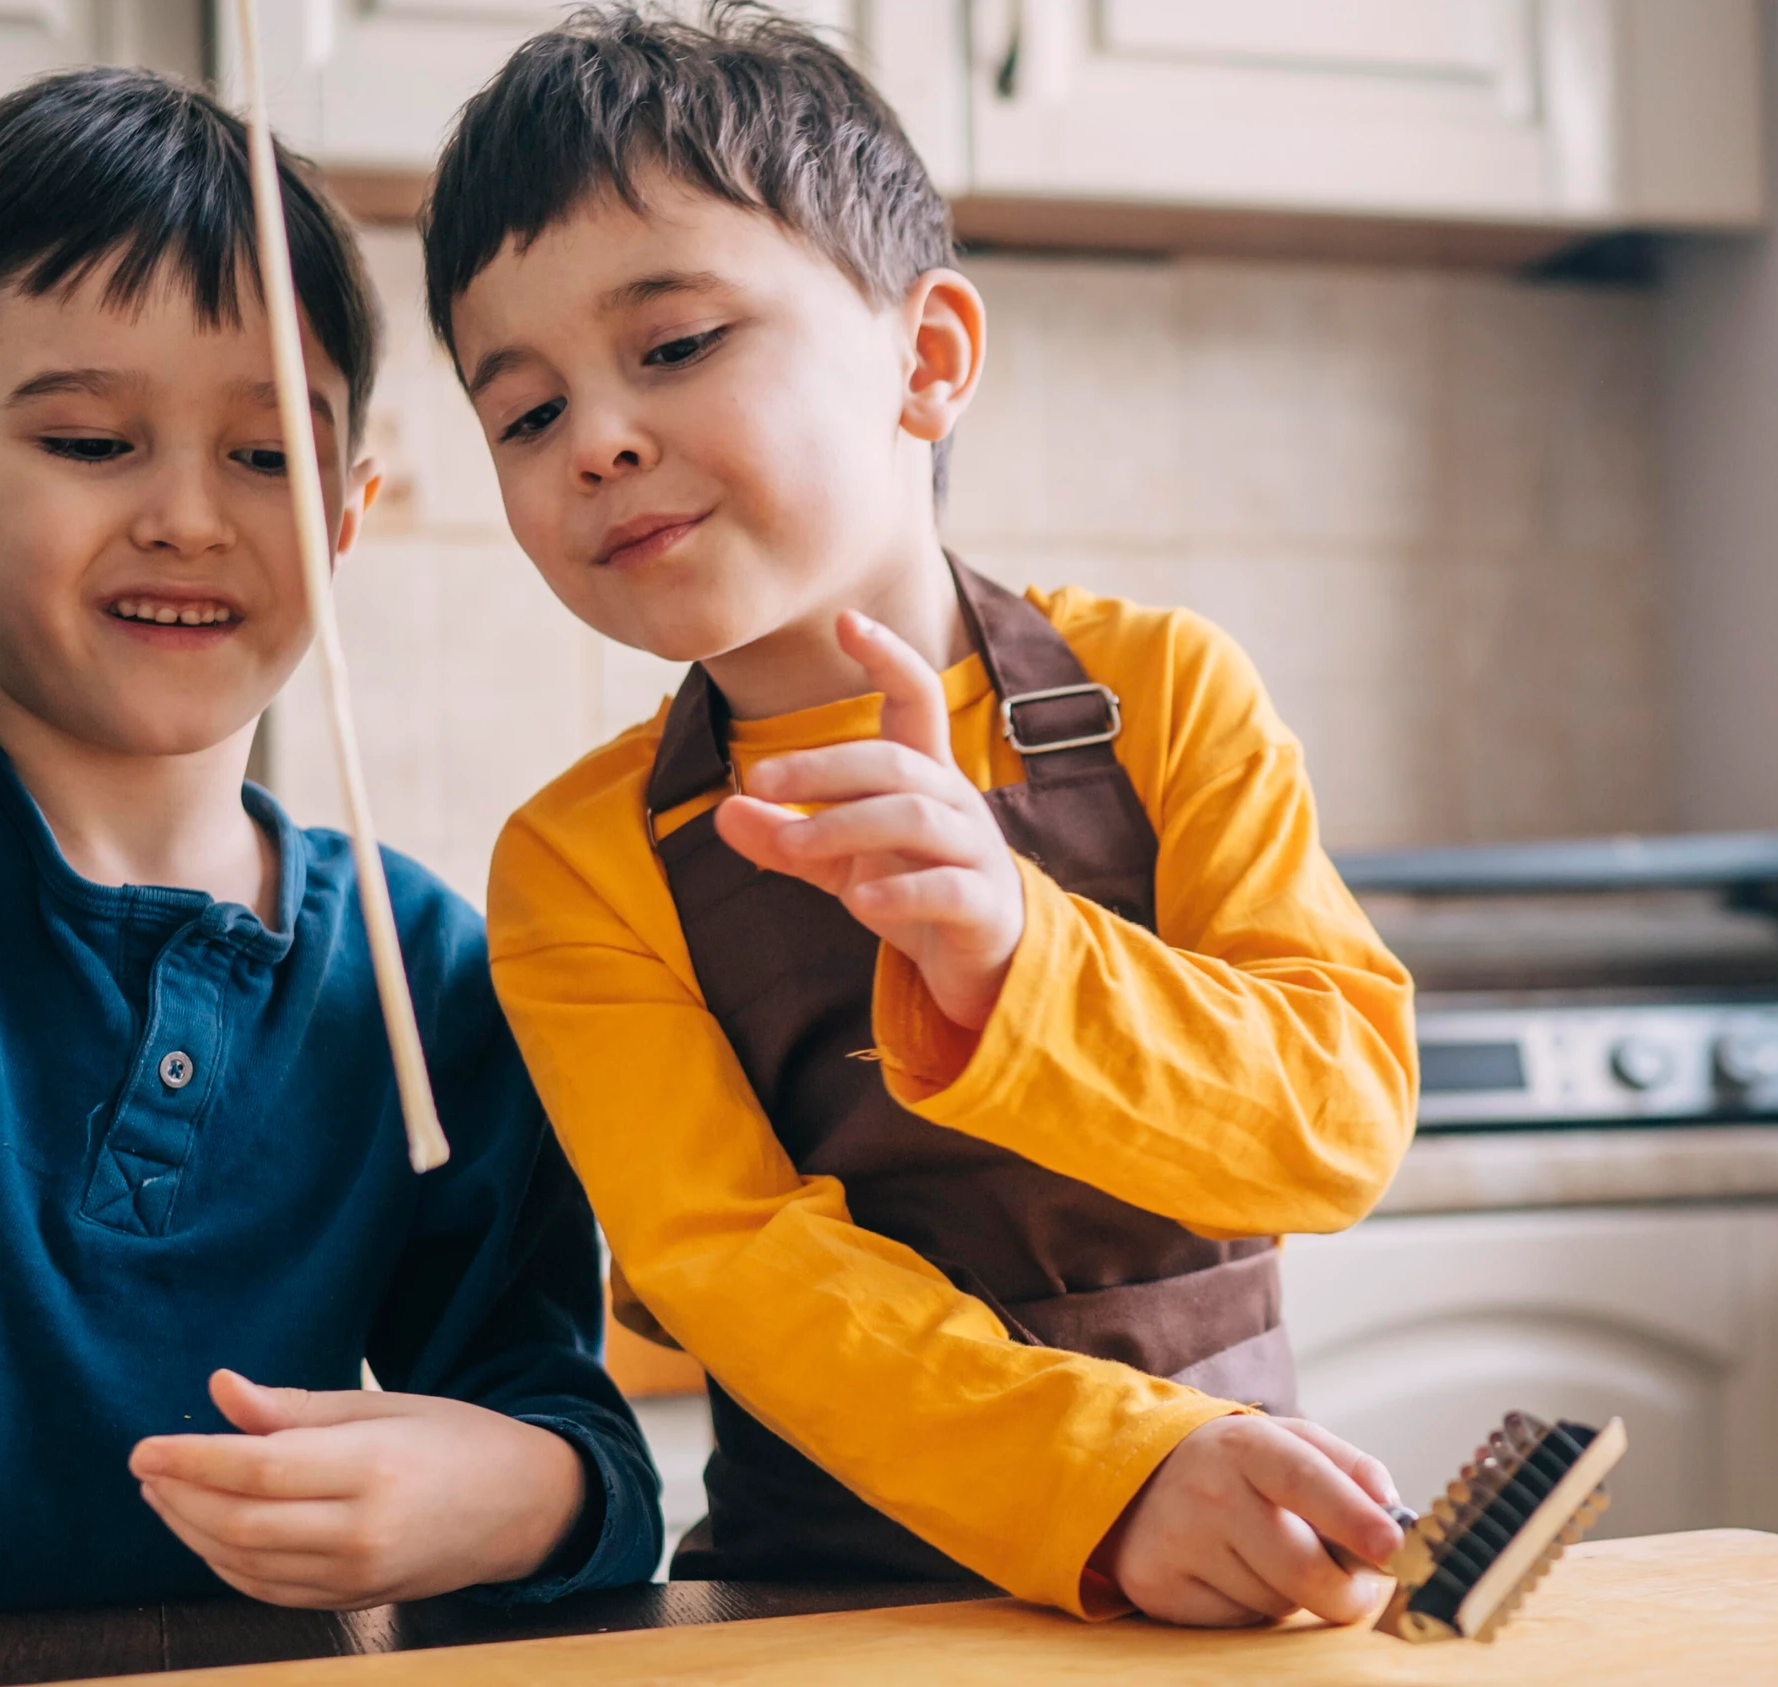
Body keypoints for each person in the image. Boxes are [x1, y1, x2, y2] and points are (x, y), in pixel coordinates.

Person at [0, 0, 658, 1633]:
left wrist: (515, 1488)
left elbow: (580, 1445)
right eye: (91, 439)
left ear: (349, 510)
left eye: (263, 453)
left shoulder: (427, 970)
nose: (184, 513)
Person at [430, 4, 1419, 1628]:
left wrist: (1024, 955)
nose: (597, 439)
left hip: (1230, 1581)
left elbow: (1338, 1121)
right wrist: (1111, 1479)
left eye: (674, 345)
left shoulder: (1167, 692)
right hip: (810, 1612)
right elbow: (742, 1271)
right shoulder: (577, 864)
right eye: (525, 412)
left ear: (929, 357)